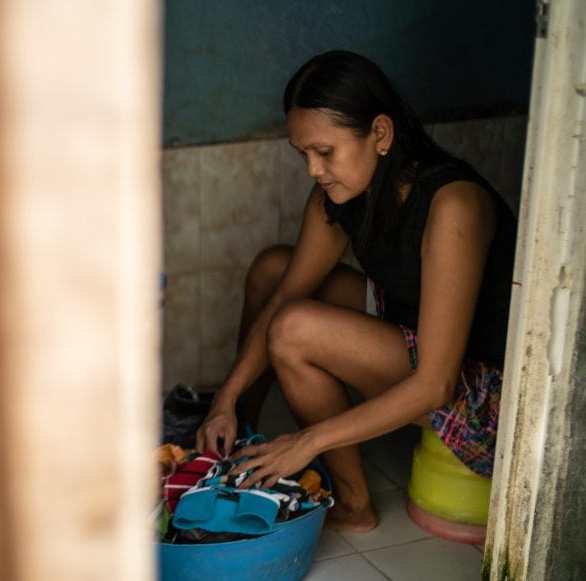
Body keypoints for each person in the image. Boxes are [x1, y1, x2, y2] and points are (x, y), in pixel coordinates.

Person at [195, 50, 517, 532]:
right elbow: (284, 291)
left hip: (483, 391)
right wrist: (225, 397)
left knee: (293, 330)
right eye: (302, 153)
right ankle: (238, 433)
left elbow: (436, 384)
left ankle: (353, 506)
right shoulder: (342, 193)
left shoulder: (454, 205)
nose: (312, 170)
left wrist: (306, 443)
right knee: (272, 270)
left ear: (380, 134)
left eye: (325, 152)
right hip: (407, 328)